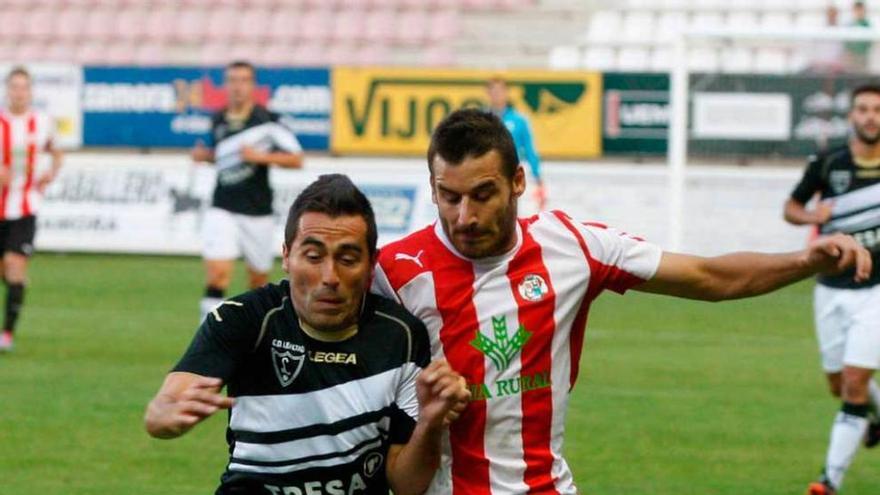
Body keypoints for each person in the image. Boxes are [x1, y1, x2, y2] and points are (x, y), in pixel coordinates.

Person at [371, 108, 872, 495]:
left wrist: (805, 262)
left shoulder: (572, 247)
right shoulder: (393, 272)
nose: (465, 216)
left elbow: (709, 276)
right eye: (448, 196)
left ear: (518, 182)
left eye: (483, 194)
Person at [145, 174, 470, 494]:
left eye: (347, 258)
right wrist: (166, 412)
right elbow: (163, 409)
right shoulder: (245, 319)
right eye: (313, 257)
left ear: (372, 263)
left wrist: (429, 422)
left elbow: (407, 486)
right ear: (287, 256)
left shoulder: (401, 336)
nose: (330, 276)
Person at [784, 84, 880, 495]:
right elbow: (790, 209)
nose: (870, 116)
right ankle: (875, 416)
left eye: (877, 109)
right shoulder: (827, 162)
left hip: (876, 290)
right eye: (862, 109)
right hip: (830, 287)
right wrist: (811, 215)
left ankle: (828, 481)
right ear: (851, 116)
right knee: (838, 384)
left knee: (855, 383)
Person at [191, 60, 304, 322]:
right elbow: (223, 158)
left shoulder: (267, 120)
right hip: (223, 206)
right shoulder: (218, 119)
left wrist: (259, 158)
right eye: (232, 80)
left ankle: (254, 337)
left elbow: (297, 160)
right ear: (225, 85)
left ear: (252, 85)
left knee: (258, 280)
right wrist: (205, 156)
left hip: (257, 210)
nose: (237, 87)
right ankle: (207, 336)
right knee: (218, 274)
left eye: (243, 80)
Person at [0, 67, 63, 352]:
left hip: (25, 206)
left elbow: (56, 150)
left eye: (24, 87)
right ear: (7, 90)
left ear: (30, 91)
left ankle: (7, 334)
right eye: (14, 87)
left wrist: (52, 171)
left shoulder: (41, 122)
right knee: (6, 270)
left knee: (15, 266)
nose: (19, 92)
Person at [486, 77, 545, 212]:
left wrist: (537, 175)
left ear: (506, 93)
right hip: (487, 173)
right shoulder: (481, 119)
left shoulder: (519, 121)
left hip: (512, 172)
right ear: (488, 93)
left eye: (500, 91)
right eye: (493, 91)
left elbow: (529, 149)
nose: (497, 94)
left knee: (516, 212)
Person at [845, 1, 871, 72]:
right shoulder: (850, 24)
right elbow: (846, 41)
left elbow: (868, 42)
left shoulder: (866, 24)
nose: (859, 12)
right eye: (857, 10)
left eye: (860, 10)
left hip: (862, 56)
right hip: (852, 56)